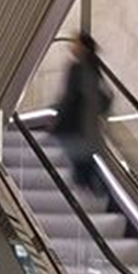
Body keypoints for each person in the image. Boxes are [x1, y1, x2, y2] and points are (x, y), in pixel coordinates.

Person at [51, 33, 110, 197]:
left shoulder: (77, 68)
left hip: (75, 125)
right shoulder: (94, 68)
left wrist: (58, 118)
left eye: (75, 42)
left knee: (80, 162)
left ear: (82, 47)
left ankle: (90, 191)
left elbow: (69, 98)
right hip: (88, 127)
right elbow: (105, 97)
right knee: (84, 162)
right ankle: (96, 191)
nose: (72, 45)